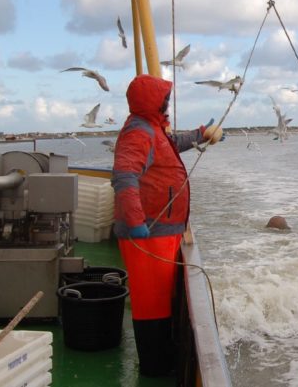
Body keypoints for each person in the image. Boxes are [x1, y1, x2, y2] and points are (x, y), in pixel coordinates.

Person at [111, 74, 222, 377]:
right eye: (165, 100)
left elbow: (172, 143)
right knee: (151, 302)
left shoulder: (153, 129)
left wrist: (201, 133)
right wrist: (135, 222)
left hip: (165, 230)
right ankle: (154, 366)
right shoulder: (138, 133)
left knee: (161, 298)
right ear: (153, 102)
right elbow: (124, 176)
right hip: (148, 234)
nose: (168, 105)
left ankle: (161, 357)